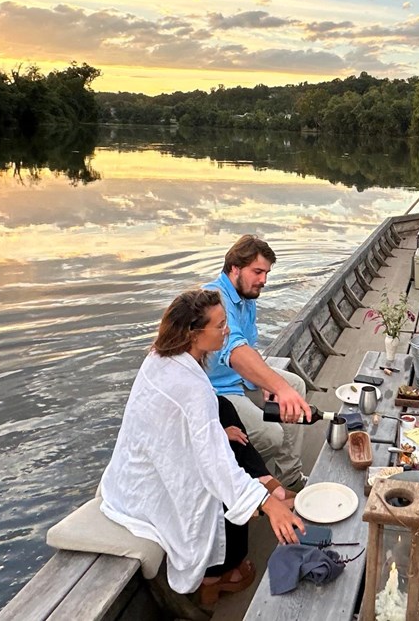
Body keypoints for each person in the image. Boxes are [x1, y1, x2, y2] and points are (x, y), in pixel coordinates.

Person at [99, 289, 304, 602]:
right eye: (220, 325)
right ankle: (219, 573)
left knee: (224, 409)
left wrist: (220, 432)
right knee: (228, 488)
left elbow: (174, 425)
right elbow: (214, 466)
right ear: (193, 333)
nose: (227, 330)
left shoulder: (161, 356)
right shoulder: (191, 387)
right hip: (149, 486)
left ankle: (264, 482)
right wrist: (265, 504)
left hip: (139, 462)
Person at [205, 235, 314, 491]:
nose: (263, 280)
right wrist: (277, 387)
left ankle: (289, 475)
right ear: (234, 268)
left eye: (266, 272)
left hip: (242, 379)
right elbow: (234, 350)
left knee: (295, 384)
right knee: (271, 436)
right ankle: (246, 483)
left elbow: (249, 344)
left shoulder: (247, 297)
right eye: (257, 271)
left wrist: (263, 379)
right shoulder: (215, 299)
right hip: (219, 389)